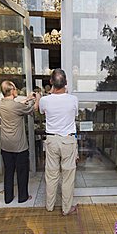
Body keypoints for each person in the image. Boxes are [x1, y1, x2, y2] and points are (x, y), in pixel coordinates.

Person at [38, 69, 78, 215]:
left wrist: (39, 98)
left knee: (51, 174)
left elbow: (40, 111)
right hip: (68, 139)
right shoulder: (73, 99)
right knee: (68, 176)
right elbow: (75, 113)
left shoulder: (44, 100)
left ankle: (49, 206)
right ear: (66, 83)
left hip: (52, 140)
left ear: (51, 82)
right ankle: (66, 209)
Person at [0, 81, 40, 204]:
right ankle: (23, 197)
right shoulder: (16, 107)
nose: (17, 90)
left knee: (9, 172)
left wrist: (27, 98)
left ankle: (8, 198)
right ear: (12, 91)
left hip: (6, 146)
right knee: (22, 173)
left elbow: (15, 106)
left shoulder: (0, 104)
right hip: (19, 146)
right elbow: (33, 109)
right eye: (15, 88)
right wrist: (37, 99)